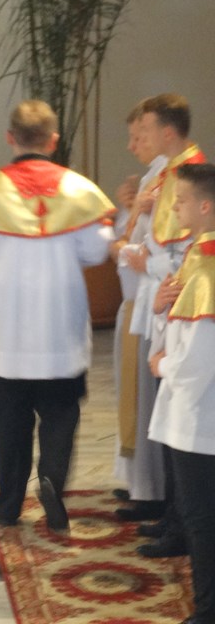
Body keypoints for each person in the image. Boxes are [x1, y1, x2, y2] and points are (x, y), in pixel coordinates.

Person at [0, 100, 115, 530]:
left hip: (2, 331)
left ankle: (8, 502)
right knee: (60, 412)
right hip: (58, 329)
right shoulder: (78, 190)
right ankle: (53, 476)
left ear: (10, 138)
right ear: (53, 140)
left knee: (7, 421)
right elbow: (97, 251)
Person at [122, 93, 204, 558]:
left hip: (179, 309)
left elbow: (183, 254)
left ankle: (181, 525)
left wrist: (145, 262)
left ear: (168, 132)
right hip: (165, 306)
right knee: (166, 419)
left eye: (146, 130)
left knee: (178, 423)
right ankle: (174, 516)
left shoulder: (189, 175)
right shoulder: (170, 172)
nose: (140, 140)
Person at [147, 162, 215, 624]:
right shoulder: (197, 258)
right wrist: (159, 310)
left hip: (200, 415)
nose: (174, 208)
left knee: (201, 517)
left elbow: (198, 359)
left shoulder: (207, 269)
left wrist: (162, 365)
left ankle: (208, 609)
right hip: (196, 411)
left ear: (205, 207)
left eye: (182, 200)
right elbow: (180, 326)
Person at [109, 103, 167, 520]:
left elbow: (157, 250)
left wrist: (123, 248)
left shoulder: (173, 178)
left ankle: (152, 491)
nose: (132, 146)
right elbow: (131, 238)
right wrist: (129, 211)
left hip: (153, 303)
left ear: (163, 131)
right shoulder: (153, 177)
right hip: (135, 301)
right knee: (134, 397)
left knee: (148, 402)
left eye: (139, 135)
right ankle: (139, 483)